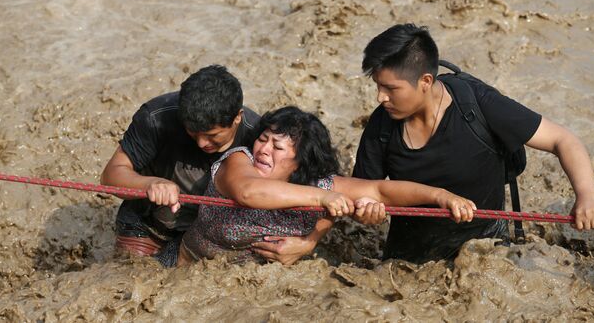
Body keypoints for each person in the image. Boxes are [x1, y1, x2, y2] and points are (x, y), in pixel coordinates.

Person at [352, 23, 594, 264]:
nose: (380, 97)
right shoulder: (381, 126)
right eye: (377, 85)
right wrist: (366, 213)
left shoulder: (477, 104)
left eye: (390, 88)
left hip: (485, 251)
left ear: (425, 81)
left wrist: (587, 195)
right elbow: (361, 192)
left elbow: (562, 139)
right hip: (409, 258)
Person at [177, 106, 477, 266]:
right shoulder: (238, 161)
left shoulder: (317, 183)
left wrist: (441, 196)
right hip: (190, 269)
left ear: (300, 162)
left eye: (277, 147)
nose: (263, 150)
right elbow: (249, 193)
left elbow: (381, 191)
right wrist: (324, 198)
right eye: (262, 139)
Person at [101, 65, 260, 257]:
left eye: (212, 135)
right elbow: (110, 176)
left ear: (237, 117)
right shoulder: (155, 117)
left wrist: (304, 242)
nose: (202, 143)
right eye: (193, 133)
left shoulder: (259, 137)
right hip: (150, 225)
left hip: (217, 234)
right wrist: (151, 183)